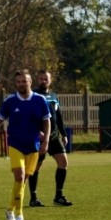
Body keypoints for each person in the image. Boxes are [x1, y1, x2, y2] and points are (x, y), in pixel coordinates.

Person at [0, 69, 51, 220]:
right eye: (18, 82)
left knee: (23, 181)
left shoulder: (40, 100)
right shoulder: (10, 101)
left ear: (30, 82)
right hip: (15, 144)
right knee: (19, 177)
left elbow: (47, 121)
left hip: (33, 146)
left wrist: (45, 141)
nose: (21, 84)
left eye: (24, 81)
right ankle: (19, 214)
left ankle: (10, 209)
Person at [30, 69, 73, 207]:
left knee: (63, 162)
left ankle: (59, 196)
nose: (43, 81)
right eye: (41, 79)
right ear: (37, 80)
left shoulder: (54, 96)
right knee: (36, 167)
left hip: (54, 136)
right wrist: (37, 132)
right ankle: (33, 198)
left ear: (50, 80)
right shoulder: (34, 96)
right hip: (39, 137)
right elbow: (29, 117)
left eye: (45, 79)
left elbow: (58, 116)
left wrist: (64, 134)